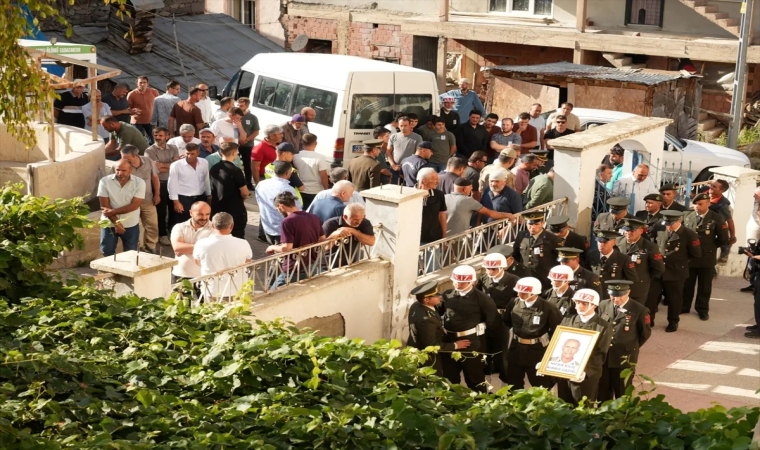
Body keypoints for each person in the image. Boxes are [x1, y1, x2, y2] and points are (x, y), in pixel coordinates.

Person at [439, 265, 499, 392]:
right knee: (449, 376)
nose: (458, 285)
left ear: (472, 281)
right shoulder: (447, 295)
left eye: (462, 282)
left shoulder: (482, 298)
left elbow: (493, 321)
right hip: (450, 340)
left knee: (474, 376)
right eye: (456, 281)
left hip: (471, 342)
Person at [556, 289, 613, 406]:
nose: (579, 306)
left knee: (583, 407)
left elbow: (600, 354)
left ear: (594, 305)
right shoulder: (567, 320)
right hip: (564, 370)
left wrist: (585, 372)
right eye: (577, 302)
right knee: (563, 404)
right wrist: (548, 362)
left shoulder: (603, 326)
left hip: (586, 375)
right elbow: (557, 344)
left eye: (584, 303)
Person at [502, 277, 562, 389]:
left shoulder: (548, 308)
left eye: (523, 292)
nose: (519, 294)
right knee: (513, 382)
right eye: (518, 291)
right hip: (516, 348)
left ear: (533, 293)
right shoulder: (514, 302)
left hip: (537, 350)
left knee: (540, 384)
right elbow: (507, 321)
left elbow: (556, 331)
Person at [597, 280, 651, 403]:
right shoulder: (603, 305)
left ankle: (622, 418)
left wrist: (630, 346)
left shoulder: (639, 310)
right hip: (605, 356)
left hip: (624, 358)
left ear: (628, 292)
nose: (616, 299)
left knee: (623, 391)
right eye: (613, 295)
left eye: (620, 295)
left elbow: (644, 334)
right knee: (603, 391)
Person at [407, 281, 470, 377]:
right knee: (432, 381)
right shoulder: (427, 320)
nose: (440, 297)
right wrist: (455, 345)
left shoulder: (417, 306)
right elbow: (431, 345)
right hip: (427, 358)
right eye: (436, 296)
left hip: (415, 350)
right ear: (426, 300)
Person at [683, 193, 729, 320]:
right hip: (690, 257)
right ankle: (684, 306)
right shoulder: (687, 216)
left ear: (708, 204)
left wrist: (710, 247)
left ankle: (702, 309)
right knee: (687, 284)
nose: (697, 206)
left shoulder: (717, 218)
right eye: (695, 204)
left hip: (706, 257)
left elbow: (723, 238)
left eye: (700, 204)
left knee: (704, 286)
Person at [266, 191, 325, 287]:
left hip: (293, 267)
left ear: (281, 206)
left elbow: (287, 248)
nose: (279, 212)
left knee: (272, 292)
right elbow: (322, 239)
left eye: (277, 209)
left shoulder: (288, 221)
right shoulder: (314, 217)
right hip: (312, 264)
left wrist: (273, 247)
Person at [655, 210, 702, 332]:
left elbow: (696, 254)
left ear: (679, 221)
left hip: (676, 271)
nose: (668, 226)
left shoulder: (689, 234)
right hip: (659, 269)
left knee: (674, 299)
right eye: (666, 223)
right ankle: (649, 320)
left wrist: (681, 261)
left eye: (671, 223)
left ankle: (673, 321)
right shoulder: (661, 229)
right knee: (652, 296)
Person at [192, 212, 253, 300]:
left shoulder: (201, 243)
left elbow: (197, 262)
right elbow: (248, 262)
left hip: (212, 290)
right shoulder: (243, 243)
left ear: (212, 226)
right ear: (232, 226)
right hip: (238, 289)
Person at [97, 159, 145, 256]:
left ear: (131, 170)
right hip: (109, 223)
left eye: (124, 170)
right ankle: (109, 271)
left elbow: (134, 205)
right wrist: (116, 223)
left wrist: (111, 212)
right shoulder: (105, 181)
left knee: (131, 253)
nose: (120, 173)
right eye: (117, 170)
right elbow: (105, 206)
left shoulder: (139, 183)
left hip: (130, 223)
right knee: (107, 251)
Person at [618, 219, 665, 313]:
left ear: (640, 231)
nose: (628, 233)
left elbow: (659, 268)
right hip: (619, 285)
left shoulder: (649, 246)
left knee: (636, 313)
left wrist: (645, 278)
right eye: (626, 230)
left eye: (632, 231)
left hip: (638, 287)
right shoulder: (617, 242)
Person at [120, 145, 160, 253]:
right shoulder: (120, 165)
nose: (125, 161)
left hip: (148, 200)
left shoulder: (148, 161)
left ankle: (151, 246)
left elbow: (155, 177)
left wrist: (157, 194)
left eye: (128, 159)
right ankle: (135, 248)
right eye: (123, 157)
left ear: (136, 155)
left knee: (152, 224)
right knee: (132, 226)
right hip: (129, 202)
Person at [145, 127, 180, 244]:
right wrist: (170, 165)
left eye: (160, 135)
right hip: (160, 184)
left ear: (167, 136)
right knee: (161, 211)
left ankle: (173, 232)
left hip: (174, 183)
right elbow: (156, 168)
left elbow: (177, 165)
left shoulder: (173, 148)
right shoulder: (149, 151)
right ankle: (162, 234)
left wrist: (163, 165)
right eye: (155, 135)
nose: (158, 138)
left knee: (174, 210)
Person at [445, 177, 513, 235]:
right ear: (465, 189)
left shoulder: (444, 197)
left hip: (442, 238)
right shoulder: (468, 200)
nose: (471, 191)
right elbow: (490, 213)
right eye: (470, 189)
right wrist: (508, 215)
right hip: (458, 239)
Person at [512, 212, 562, 290]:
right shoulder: (521, 236)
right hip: (524, 277)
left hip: (543, 279)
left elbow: (559, 260)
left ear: (542, 223)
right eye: (530, 225)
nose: (533, 227)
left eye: (536, 224)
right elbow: (515, 255)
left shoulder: (552, 239)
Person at [209, 142, 249, 239]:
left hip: (217, 208)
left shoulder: (214, 168)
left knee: (218, 234)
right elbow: (244, 192)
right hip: (234, 210)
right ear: (234, 153)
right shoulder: (236, 171)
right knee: (237, 235)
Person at [255, 161, 301, 244]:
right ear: (287, 173)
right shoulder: (288, 189)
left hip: (267, 226)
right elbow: (296, 211)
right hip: (283, 229)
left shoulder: (261, 184)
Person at [167, 143, 211, 229]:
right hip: (183, 198)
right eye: (187, 153)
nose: (189, 156)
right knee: (182, 223)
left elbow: (206, 179)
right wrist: (176, 201)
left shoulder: (204, 162)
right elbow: (172, 183)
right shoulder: (176, 165)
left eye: (192, 154)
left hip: (200, 197)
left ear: (198, 153)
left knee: (200, 220)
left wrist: (209, 195)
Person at [171, 201, 213, 281]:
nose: (204, 218)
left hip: (204, 277)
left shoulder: (214, 229)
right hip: (180, 274)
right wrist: (203, 247)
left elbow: (211, 249)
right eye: (200, 214)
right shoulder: (179, 227)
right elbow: (177, 247)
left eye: (207, 214)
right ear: (191, 213)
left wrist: (185, 248)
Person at [293, 133, 330, 208]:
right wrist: (326, 190)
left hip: (300, 189)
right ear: (316, 143)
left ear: (302, 142)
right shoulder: (320, 157)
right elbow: (323, 175)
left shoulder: (296, 156)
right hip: (316, 191)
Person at [708, 179, 736, 263]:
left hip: (713, 232)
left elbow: (729, 220)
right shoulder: (708, 195)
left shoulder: (722, 205)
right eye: (712, 185)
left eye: (714, 186)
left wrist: (732, 237)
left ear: (721, 191)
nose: (711, 187)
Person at [387, 116, 422, 184]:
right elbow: (388, 152)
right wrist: (393, 165)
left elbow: (418, 154)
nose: (403, 128)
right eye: (401, 125)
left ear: (410, 125)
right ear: (398, 126)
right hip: (395, 168)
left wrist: (408, 167)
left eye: (405, 125)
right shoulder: (393, 137)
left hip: (410, 169)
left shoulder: (417, 137)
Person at [417, 168, 447, 245]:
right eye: (435, 179)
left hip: (433, 239)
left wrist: (444, 237)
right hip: (415, 238)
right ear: (425, 181)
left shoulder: (439, 195)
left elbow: (442, 216)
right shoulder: (409, 194)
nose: (438, 181)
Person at [236, 97, 261, 189]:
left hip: (248, 145)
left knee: (247, 164)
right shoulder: (234, 116)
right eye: (238, 105)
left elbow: (256, 132)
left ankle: (248, 182)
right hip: (235, 145)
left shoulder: (252, 118)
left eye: (241, 105)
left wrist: (246, 140)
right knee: (235, 164)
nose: (239, 107)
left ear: (247, 106)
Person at [127, 76, 160, 144]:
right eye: (140, 83)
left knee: (152, 139)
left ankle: (151, 153)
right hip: (136, 121)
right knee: (137, 140)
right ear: (137, 84)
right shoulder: (132, 94)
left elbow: (158, 104)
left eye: (144, 82)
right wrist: (132, 112)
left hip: (150, 121)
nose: (142, 84)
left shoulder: (153, 92)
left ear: (148, 83)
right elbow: (127, 109)